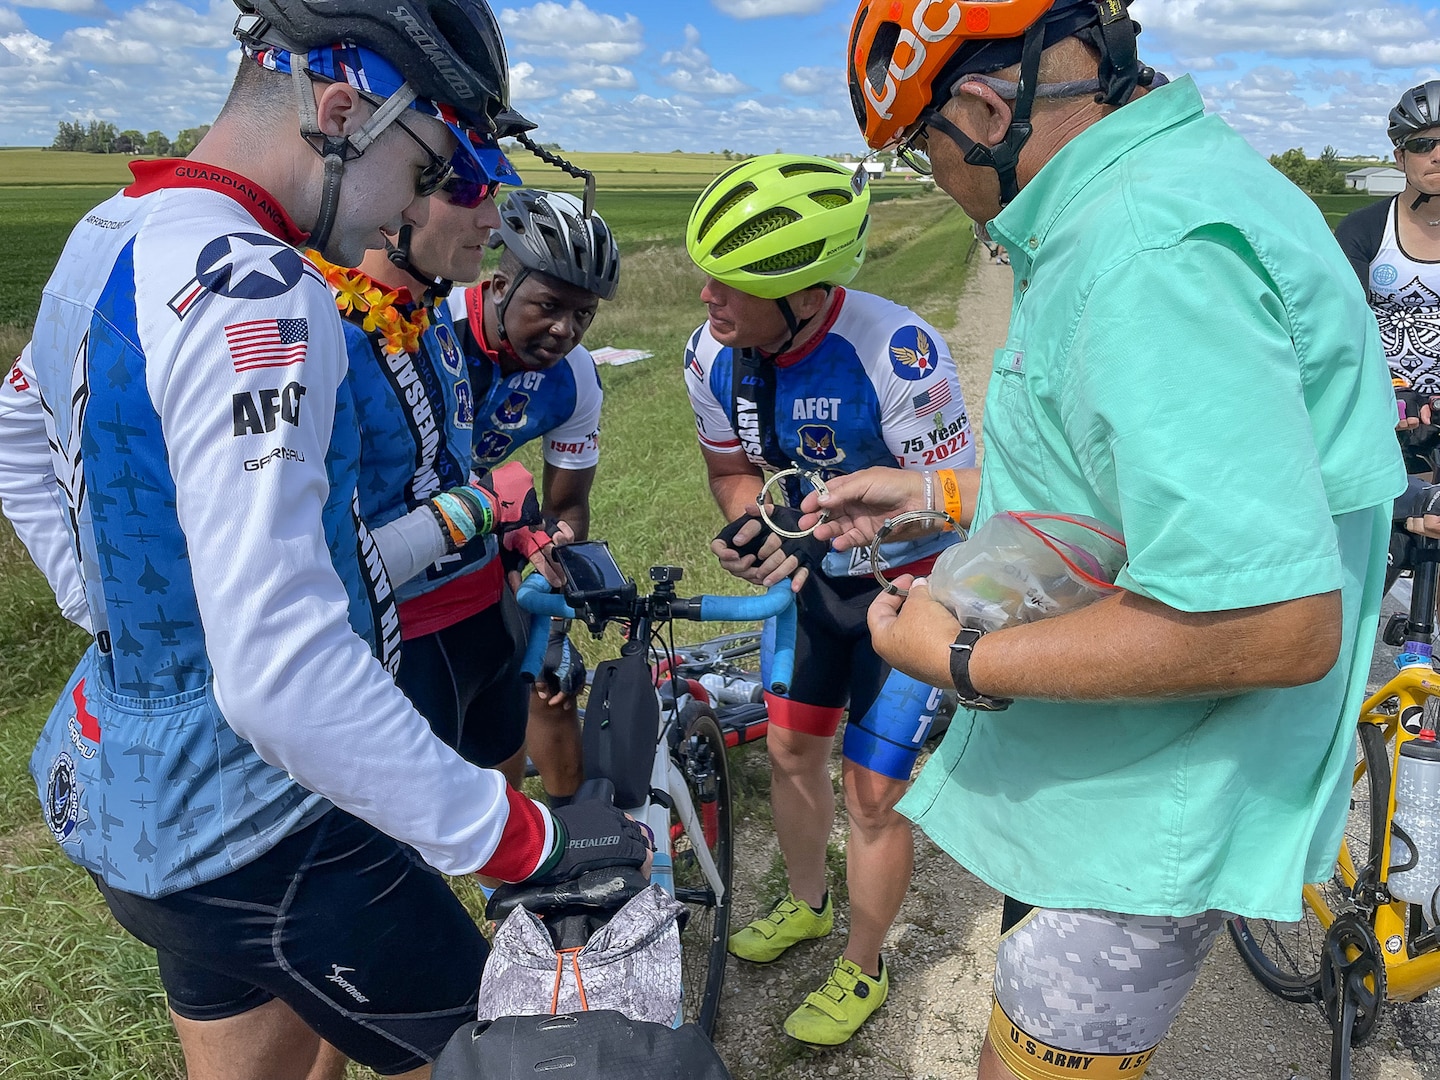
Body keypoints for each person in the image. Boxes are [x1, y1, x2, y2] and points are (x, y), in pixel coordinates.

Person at [0, 3, 648, 1077]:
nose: (424, 201)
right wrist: (515, 835)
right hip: (266, 820)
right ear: (341, 109)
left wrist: (108, 606)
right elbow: (279, 677)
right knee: (522, 1055)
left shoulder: (112, 229)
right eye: (435, 163)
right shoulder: (265, 287)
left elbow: (18, 429)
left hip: (127, 798)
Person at [829, 1, 1406, 1077]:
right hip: (1115, 770)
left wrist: (953, 655)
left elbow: (1273, 623)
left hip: (1144, 808)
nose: (933, 178)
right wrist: (938, 490)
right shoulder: (1163, 190)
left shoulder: (1144, 249)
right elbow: (1140, 481)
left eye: (919, 146)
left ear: (984, 108)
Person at [682, 153, 970, 1045]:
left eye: (732, 285)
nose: (707, 300)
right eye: (706, 276)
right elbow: (731, 468)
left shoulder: (897, 351)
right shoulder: (713, 355)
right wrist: (752, 528)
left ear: (805, 294)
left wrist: (873, 525)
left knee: (872, 794)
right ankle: (806, 904)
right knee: (791, 753)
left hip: (907, 593)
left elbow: (959, 494)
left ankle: (866, 962)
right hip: (812, 588)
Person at [449, 187, 620, 805]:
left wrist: (553, 555)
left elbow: (567, 506)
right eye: (548, 305)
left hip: (480, 518)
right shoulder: (431, 329)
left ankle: (571, 830)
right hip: (405, 519)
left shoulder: (574, 379)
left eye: (583, 316)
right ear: (499, 286)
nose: (564, 330)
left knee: (546, 673)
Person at [1336, 81, 1440, 398]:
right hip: (1386, 405)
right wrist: (1388, 393)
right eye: (1423, 145)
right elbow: (1343, 329)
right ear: (1400, 157)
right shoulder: (1363, 229)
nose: (1438, 156)